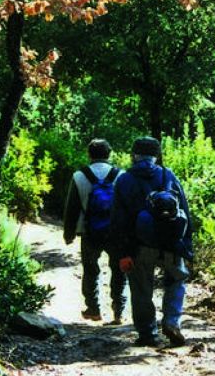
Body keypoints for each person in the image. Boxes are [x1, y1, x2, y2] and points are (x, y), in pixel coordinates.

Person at [111, 137, 193, 347]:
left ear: (134, 155)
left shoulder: (124, 179)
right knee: (177, 280)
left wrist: (122, 252)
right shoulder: (168, 175)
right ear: (156, 155)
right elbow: (184, 209)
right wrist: (187, 248)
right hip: (171, 243)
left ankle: (148, 334)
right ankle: (172, 322)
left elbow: (118, 220)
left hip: (139, 245)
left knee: (141, 289)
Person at [63, 138, 127, 323]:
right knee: (118, 270)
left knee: (91, 270)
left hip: (89, 231)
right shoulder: (120, 175)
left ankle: (93, 309)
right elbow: (126, 206)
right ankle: (119, 312)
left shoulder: (79, 176)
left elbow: (71, 208)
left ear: (89, 154)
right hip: (115, 232)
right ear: (109, 154)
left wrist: (69, 234)